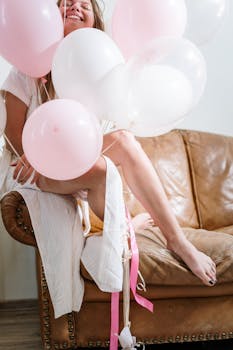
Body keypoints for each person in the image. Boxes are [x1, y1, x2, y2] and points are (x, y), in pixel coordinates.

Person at [1, 0, 216, 295]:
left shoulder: (101, 67)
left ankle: (176, 239)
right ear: (49, 16)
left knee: (125, 140)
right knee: (101, 170)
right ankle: (127, 229)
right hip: (31, 171)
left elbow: (91, 138)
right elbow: (13, 137)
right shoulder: (26, 72)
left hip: (71, 167)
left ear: (94, 19)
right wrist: (40, 155)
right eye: (65, 1)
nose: (74, 4)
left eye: (84, 2)